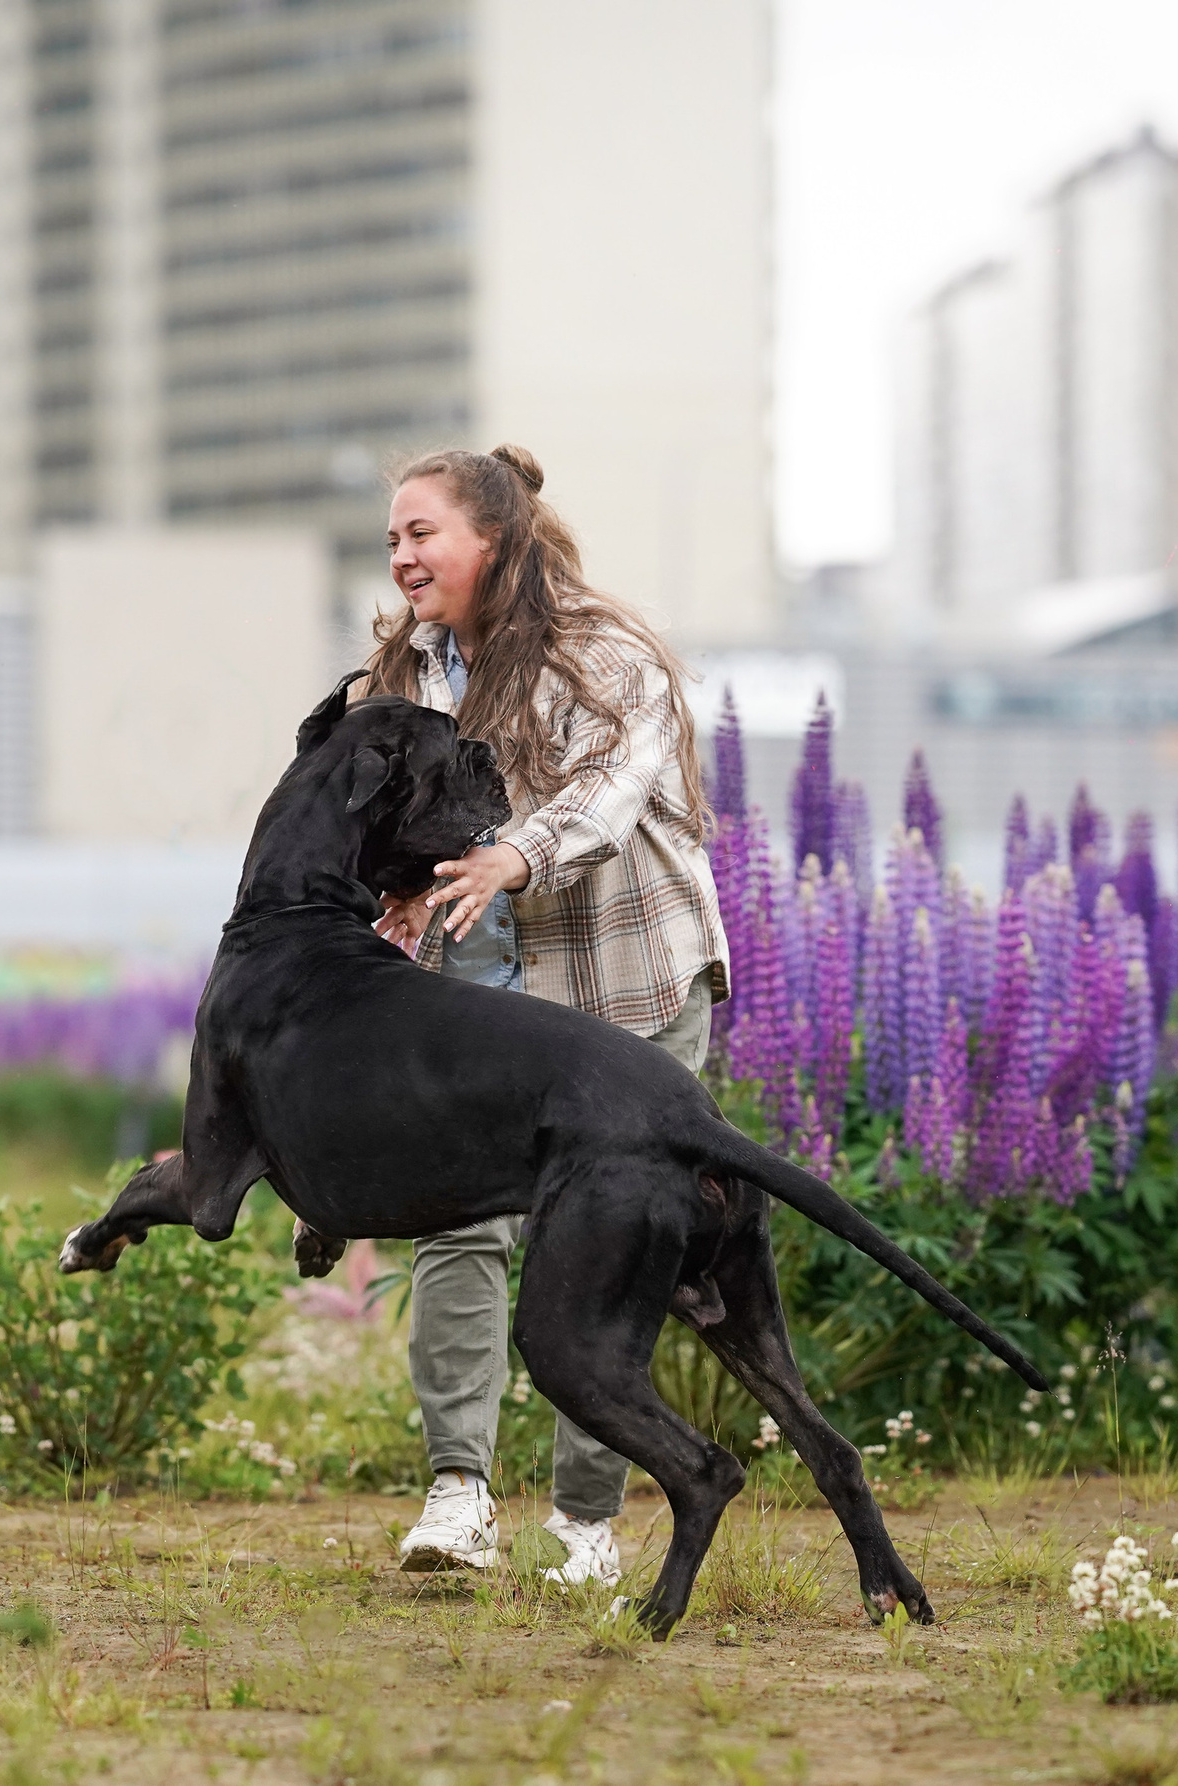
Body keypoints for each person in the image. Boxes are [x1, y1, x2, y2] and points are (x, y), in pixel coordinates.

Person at [359, 443, 728, 1588]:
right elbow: (383, 808)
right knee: (453, 1226)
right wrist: (391, 893)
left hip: (624, 983)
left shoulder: (603, 653)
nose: (402, 554)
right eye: (393, 539)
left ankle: (586, 1521)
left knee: (600, 1252)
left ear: (494, 537)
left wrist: (508, 856)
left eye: (421, 532)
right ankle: (456, 1495)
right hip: (474, 987)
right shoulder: (407, 669)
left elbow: (603, 798)